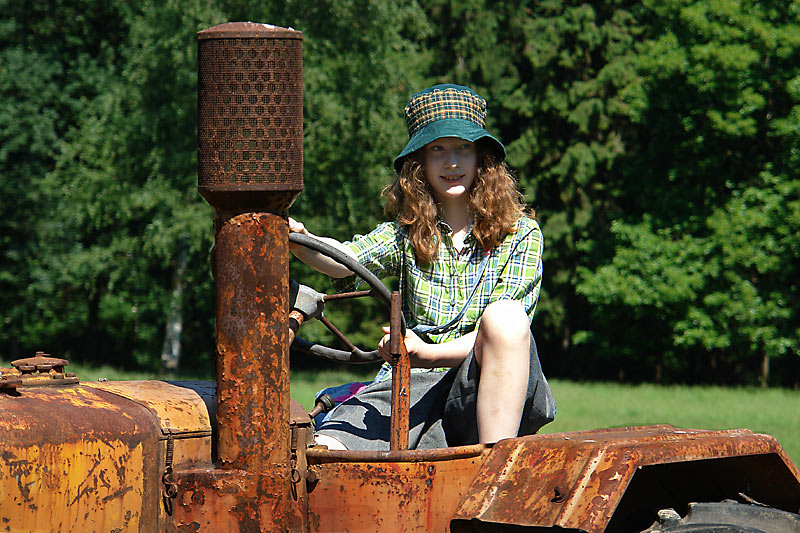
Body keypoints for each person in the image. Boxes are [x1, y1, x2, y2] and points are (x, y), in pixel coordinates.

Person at [289, 84, 555, 451]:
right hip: (409, 383)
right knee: (325, 449)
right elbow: (345, 260)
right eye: (437, 150)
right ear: (419, 164)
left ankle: (496, 467)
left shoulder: (521, 233)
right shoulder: (406, 234)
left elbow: (508, 336)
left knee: (506, 318)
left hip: (484, 385)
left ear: (482, 158)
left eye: (463, 148)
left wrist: (428, 353)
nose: (452, 163)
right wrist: (301, 239)